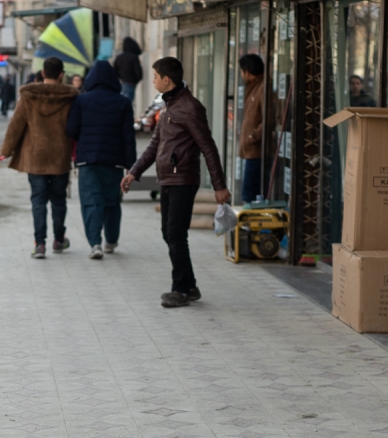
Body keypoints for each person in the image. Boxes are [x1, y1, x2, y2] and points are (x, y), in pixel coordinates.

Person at [121, 57, 230, 308]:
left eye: (156, 77)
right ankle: (190, 285)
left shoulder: (190, 108)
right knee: (168, 234)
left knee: (176, 235)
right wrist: (134, 173)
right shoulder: (169, 106)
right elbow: (154, 145)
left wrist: (219, 186)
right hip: (168, 179)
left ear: (166, 80)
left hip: (183, 179)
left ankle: (180, 289)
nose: (154, 80)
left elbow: (208, 148)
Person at [0, 57, 80, 259]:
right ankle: (59, 240)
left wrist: (5, 151)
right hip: (60, 156)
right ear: (61, 75)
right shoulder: (70, 97)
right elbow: (76, 126)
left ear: (43, 73)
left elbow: (16, 125)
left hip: (35, 157)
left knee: (38, 201)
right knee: (59, 200)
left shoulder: (29, 96)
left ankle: (40, 244)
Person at [66, 60, 135, 259]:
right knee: (111, 201)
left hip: (88, 160)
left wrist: (86, 140)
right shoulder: (123, 102)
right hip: (114, 162)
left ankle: (94, 243)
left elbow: (71, 130)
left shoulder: (81, 100)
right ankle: (111, 241)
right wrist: (131, 168)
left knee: (91, 201)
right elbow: (128, 137)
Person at [238, 54, 267, 203]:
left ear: (248, 72)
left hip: (257, 150)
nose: (242, 75)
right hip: (251, 150)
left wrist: (252, 137)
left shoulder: (263, 88)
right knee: (249, 193)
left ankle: (252, 225)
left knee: (249, 194)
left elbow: (269, 119)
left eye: (242, 72)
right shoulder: (254, 87)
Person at [113, 37, 144, 103]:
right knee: (128, 105)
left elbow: (114, 72)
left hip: (121, 84)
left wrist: (120, 78)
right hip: (131, 84)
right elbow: (139, 73)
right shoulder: (133, 57)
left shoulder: (119, 57)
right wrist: (134, 81)